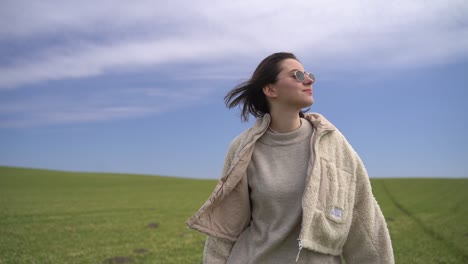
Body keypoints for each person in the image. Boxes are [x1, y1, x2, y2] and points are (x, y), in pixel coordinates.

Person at [186, 52, 394, 264]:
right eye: (297, 75)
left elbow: (364, 218)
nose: (309, 80)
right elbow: (228, 222)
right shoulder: (243, 148)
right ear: (270, 89)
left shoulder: (334, 144)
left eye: (308, 74)